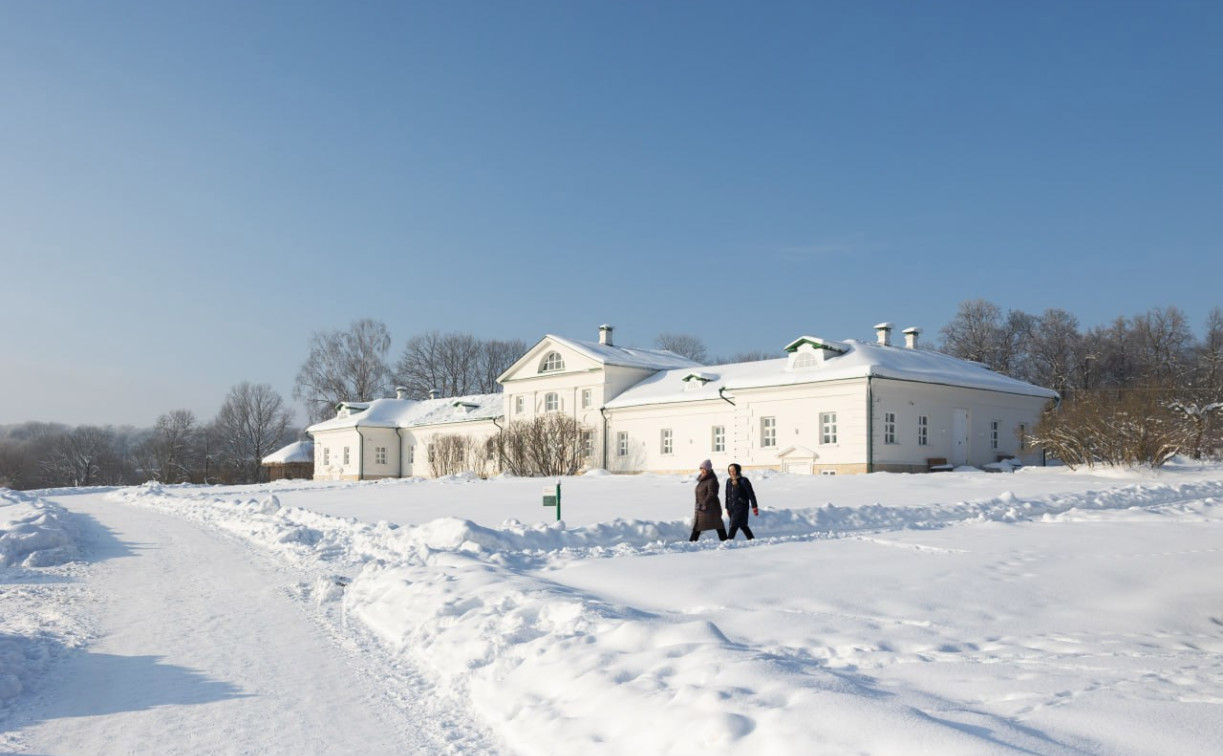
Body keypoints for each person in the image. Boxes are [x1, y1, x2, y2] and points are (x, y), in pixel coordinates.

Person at [690, 459, 728, 542]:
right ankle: (725, 540)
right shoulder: (702, 480)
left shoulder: (712, 480)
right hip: (702, 507)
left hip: (710, 508)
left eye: (704, 469)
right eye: (701, 469)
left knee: (716, 524)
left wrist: (704, 504)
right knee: (700, 525)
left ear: (709, 469)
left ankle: (691, 542)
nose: (702, 471)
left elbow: (712, 494)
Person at [724, 463, 759, 540]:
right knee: (743, 525)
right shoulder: (729, 481)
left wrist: (754, 507)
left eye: (734, 470)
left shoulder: (743, 481)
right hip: (732, 508)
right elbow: (727, 496)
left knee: (733, 525)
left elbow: (751, 494)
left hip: (741, 507)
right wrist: (727, 508)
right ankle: (752, 539)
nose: (732, 472)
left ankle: (728, 542)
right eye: (730, 471)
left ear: (737, 470)